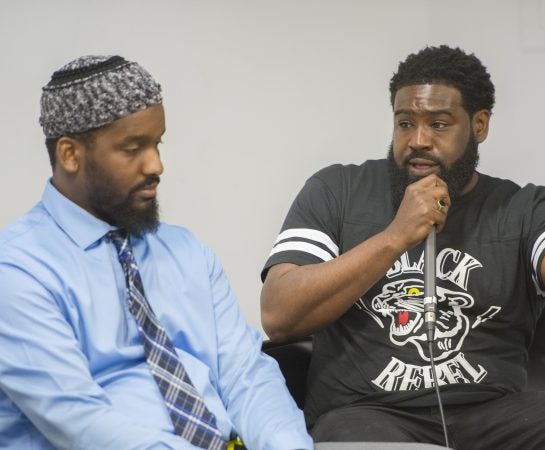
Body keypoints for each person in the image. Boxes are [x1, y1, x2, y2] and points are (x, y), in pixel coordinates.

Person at [260, 45, 545, 449]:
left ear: (479, 125)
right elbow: (279, 313)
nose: (418, 140)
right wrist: (396, 236)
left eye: (439, 124)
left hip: (492, 412)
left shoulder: (522, 207)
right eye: (405, 123)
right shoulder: (336, 192)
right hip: (366, 413)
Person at [0, 55, 313, 450]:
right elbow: (82, 424)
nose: (157, 165)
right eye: (133, 149)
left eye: (157, 143)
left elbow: (245, 374)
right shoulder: (17, 271)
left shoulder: (187, 252)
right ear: (70, 154)